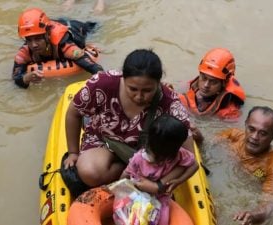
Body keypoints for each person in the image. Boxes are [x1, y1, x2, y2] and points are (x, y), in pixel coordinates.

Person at [63, 49, 196, 190]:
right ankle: (129, 169)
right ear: (123, 78)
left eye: (147, 91)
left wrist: (160, 184)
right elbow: (74, 113)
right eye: (132, 89)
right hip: (105, 142)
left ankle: (135, 171)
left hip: (149, 155)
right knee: (89, 171)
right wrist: (73, 152)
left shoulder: (170, 103)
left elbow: (189, 157)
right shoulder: (102, 84)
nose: (139, 96)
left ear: (158, 83)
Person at [215, 106, 273, 225]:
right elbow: (209, 145)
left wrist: (255, 215)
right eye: (251, 129)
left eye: (263, 133)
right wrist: (200, 139)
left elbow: (272, 203)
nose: (254, 137)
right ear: (245, 125)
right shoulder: (232, 135)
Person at [120, 114, 199, 225]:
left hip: (161, 197)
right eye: (151, 153)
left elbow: (195, 165)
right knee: (131, 219)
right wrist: (118, 188)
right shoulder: (139, 158)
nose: (153, 161)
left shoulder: (179, 154)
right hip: (137, 193)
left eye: (159, 158)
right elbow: (126, 173)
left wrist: (179, 180)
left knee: (163, 221)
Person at [12, 7, 103, 88]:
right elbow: (16, 78)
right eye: (29, 40)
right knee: (66, 7)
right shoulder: (24, 52)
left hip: (79, 28)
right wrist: (25, 78)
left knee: (97, 14)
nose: (34, 45)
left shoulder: (63, 44)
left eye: (38, 39)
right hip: (56, 23)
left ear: (47, 34)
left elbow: (93, 67)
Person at [179, 48, 246, 121]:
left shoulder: (229, 113)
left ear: (224, 83)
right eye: (204, 78)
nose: (206, 85)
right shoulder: (187, 87)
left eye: (213, 82)